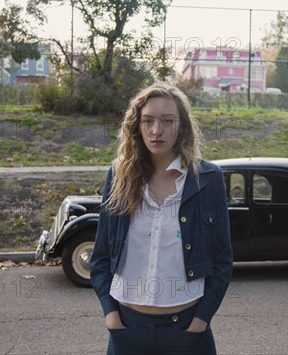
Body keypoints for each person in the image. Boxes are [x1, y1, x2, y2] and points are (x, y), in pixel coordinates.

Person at [90, 82, 233, 355]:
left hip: (188, 332)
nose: (156, 131)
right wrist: (111, 316)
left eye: (167, 121)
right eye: (148, 121)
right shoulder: (119, 177)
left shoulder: (207, 179)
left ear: (182, 126)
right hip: (127, 330)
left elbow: (222, 261)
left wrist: (201, 320)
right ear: (137, 126)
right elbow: (100, 258)